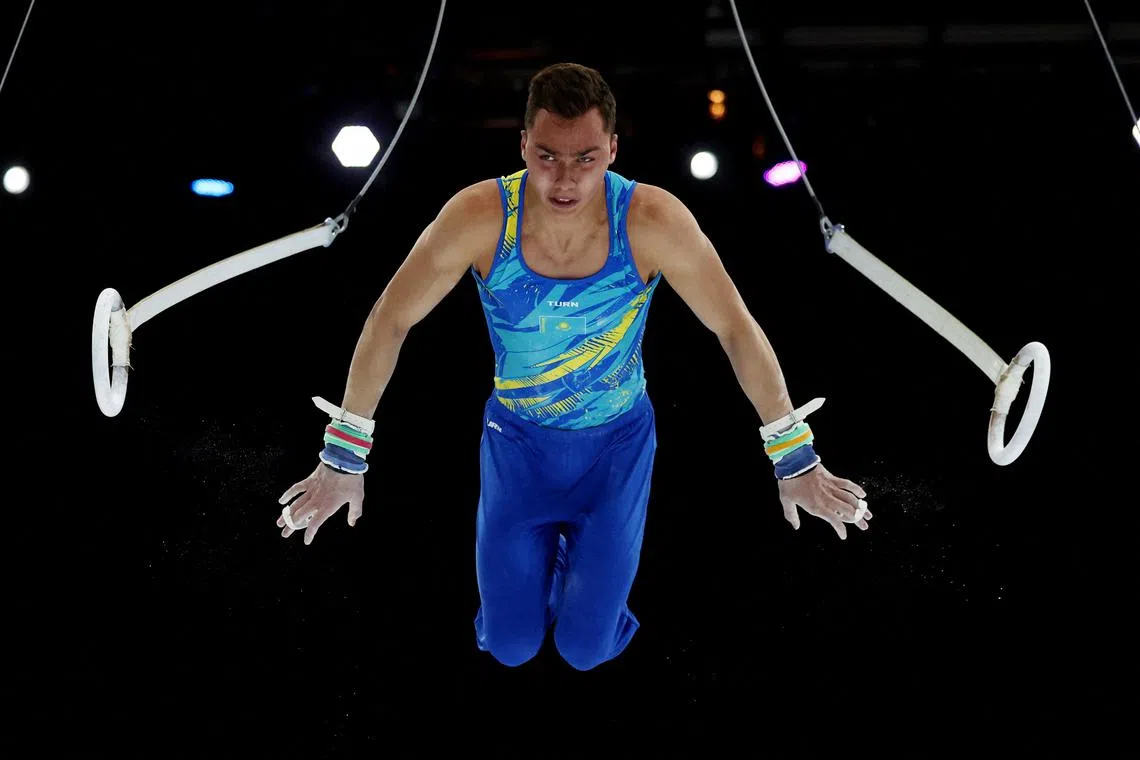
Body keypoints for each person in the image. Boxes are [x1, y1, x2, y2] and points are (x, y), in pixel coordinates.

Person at [276, 62, 871, 671]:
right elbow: (389, 319)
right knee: (511, 646)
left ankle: (569, 575)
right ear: (523, 146)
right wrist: (342, 456)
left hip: (616, 450)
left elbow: (734, 327)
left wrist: (793, 456)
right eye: (548, 157)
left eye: (586, 158)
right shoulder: (481, 216)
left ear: (613, 148)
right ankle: (549, 573)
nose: (565, 179)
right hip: (517, 448)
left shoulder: (651, 221)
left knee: (586, 650)